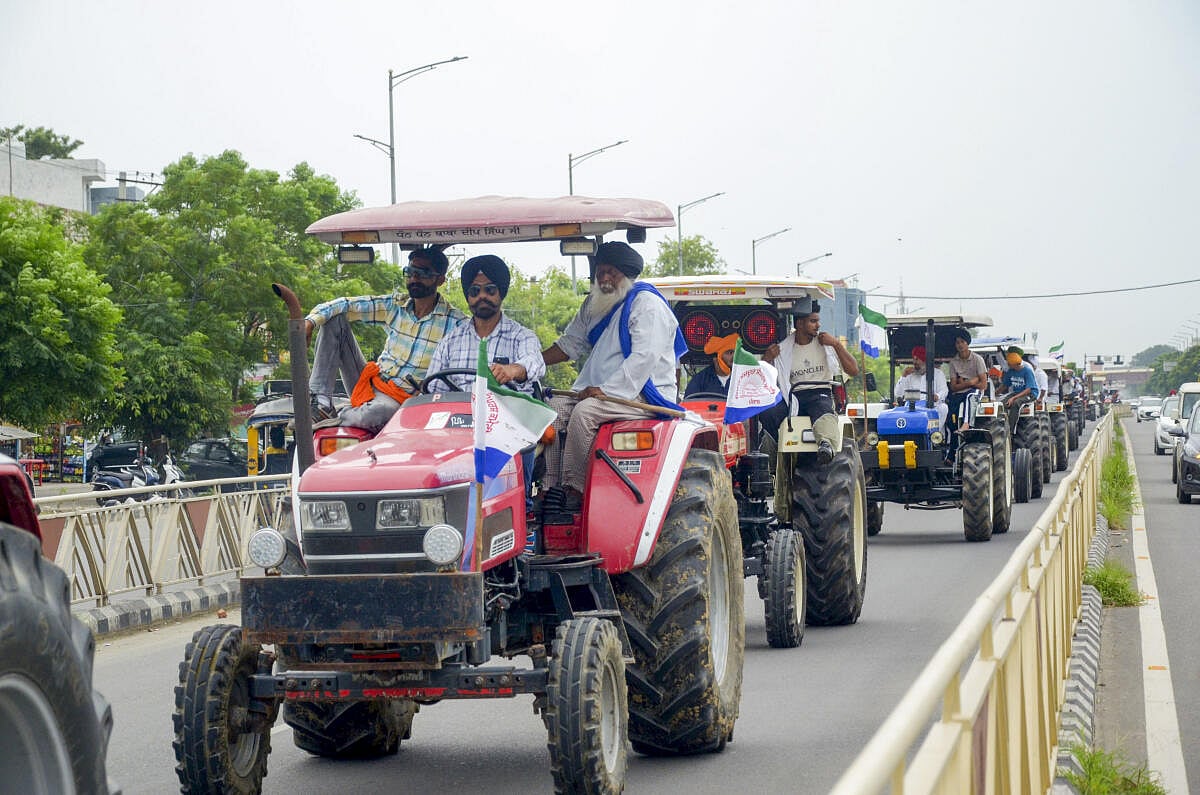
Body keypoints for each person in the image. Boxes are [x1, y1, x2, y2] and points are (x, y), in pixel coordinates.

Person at [541, 241, 684, 511]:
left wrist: (607, 390)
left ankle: (575, 490)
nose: (605, 279)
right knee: (554, 409)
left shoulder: (648, 304)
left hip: (642, 393)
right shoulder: (593, 304)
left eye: (612, 273)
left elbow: (644, 358)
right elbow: (570, 344)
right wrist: (530, 363)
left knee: (584, 412)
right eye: (600, 272)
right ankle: (549, 489)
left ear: (627, 275)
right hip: (597, 392)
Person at [304, 247, 465, 433]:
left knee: (375, 413)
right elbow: (346, 304)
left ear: (440, 279)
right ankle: (320, 403)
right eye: (410, 272)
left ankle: (340, 418)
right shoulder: (395, 305)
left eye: (423, 273)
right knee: (335, 319)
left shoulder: (456, 324)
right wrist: (310, 322)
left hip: (400, 399)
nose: (414, 279)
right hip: (370, 381)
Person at [426, 254, 545, 394]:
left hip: (507, 413)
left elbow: (535, 362)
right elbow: (432, 390)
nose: (482, 296)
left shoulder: (522, 336)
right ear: (468, 296)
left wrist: (514, 369)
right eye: (475, 290)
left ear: (501, 292)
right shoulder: (450, 341)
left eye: (490, 289)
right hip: (459, 413)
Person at [762, 298, 859, 464]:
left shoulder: (827, 344)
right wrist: (768, 359)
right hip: (794, 396)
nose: (818, 325)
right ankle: (771, 457)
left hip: (820, 392)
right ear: (799, 324)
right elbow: (766, 377)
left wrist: (836, 344)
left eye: (818, 321)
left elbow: (853, 370)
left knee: (822, 410)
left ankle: (826, 445)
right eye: (813, 321)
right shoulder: (784, 349)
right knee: (769, 411)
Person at [946, 330, 989, 453]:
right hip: (959, 394)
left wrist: (963, 383)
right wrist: (970, 382)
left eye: (962, 342)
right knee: (951, 419)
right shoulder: (954, 362)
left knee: (970, 396)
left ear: (967, 343)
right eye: (957, 342)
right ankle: (951, 452)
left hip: (975, 392)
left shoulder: (977, 359)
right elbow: (953, 387)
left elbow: (983, 384)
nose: (960, 345)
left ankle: (966, 424)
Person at [893, 345, 949, 426]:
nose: (914, 362)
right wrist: (903, 376)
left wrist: (937, 396)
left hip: (932, 407)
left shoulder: (938, 374)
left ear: (924, 361)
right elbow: (898, 394)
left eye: (917, 359)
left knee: (943, 408)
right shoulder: (909, 375)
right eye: (914, 359)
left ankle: (934, 435)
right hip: (912, 408)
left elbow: (944, 390)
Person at [998, 345, 1040, 432]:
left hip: (1030, 394)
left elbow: (1028, 389)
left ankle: (1010, 429)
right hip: (1017, 393)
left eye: (1009, 363)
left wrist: (1013, 398)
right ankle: (1002, 425)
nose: (1008, 365)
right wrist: (995, 393)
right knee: (1002, 404)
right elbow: (1005, 385)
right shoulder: (1010, 372)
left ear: (1014, 364)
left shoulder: (1027, 371)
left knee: (1016, 403)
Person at [684, 333, 738, 398]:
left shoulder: (744, 377)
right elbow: (688, 404)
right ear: (716, 357)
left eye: (737, 352)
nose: (735, 356)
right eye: (730, 352)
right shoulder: (699, 380)